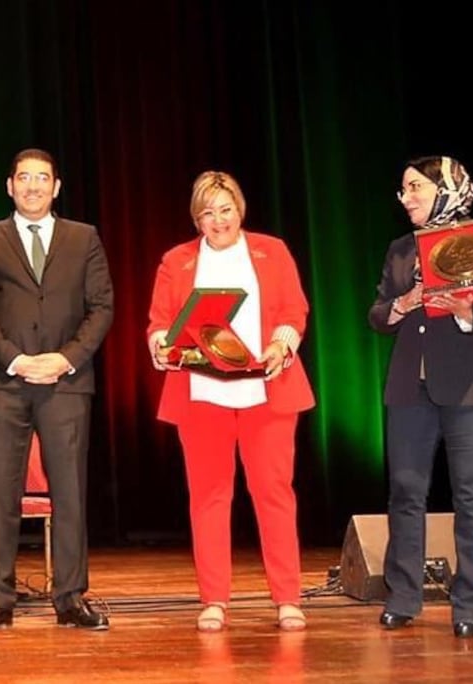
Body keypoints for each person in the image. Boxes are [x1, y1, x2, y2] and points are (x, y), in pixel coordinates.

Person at [146, 170, 315, 632]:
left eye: (225, 210)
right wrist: (161, 346)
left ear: (240, 209)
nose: (218, 221)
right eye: (207, 213)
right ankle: (214, 600)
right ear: (195, 219)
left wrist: (282, 344)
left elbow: (293, 310)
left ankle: (287, 598)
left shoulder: (273, 250)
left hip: (266, 391)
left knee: (274, 494)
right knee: (209, 498)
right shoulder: (176, 261)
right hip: (201, 395)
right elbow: (159, 323)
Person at [0, 148, 114, 631]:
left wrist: (65, 358)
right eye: (22, 178)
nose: (32, 186)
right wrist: (17, 359)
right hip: (5, 381)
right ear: (9, 186)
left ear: (57, 186)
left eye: (41, 178)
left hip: (66, 382)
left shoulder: (83, 237)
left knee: (69, 492)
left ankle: (70, 597)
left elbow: (102, 306)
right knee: (1, 493)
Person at [368, 156, 473, 639]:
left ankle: (472, 606)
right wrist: (402, 305)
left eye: (413, 188)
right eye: (402, 189)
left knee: (472, 491)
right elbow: (376, 314)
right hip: (411, 386)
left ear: (444, 189)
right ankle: (404, 596)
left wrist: (468, 311)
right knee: (406, 490)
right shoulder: (399, 250)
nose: (404, 197)